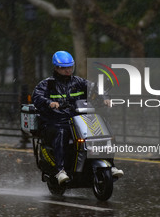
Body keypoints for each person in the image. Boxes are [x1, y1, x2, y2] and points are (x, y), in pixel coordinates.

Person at [32, 51, 123, 184]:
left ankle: (110, 164)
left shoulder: (78, 82)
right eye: (64, 68)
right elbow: (37, 96)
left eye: (70, 67)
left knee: (101, 129)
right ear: (56, 68)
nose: (68, 70)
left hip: (78, 120)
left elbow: (95, 88)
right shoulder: (47, 84)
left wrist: (104, 98)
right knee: (61, 132)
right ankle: (60, 171)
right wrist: (49, 103)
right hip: (56, 121)